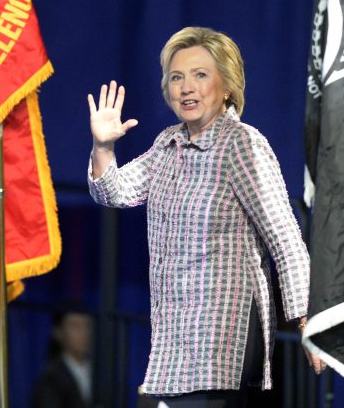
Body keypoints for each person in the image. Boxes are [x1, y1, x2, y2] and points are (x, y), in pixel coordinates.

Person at [87, 26, 324, 407]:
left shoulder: (242, 144)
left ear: (227, 85)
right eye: (177, 77)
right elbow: (113, 191)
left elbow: (284, 237)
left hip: (221, 337)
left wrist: (308, 319)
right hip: (173, 342)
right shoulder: (168, 144)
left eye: (200, 75)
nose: (186, 87)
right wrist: (103, 146)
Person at [32, 303, 95, 408]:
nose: (84, 333)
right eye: (75, 326)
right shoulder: (51, 379)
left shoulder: (98, 372)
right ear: (58, 332)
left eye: (87, 326)